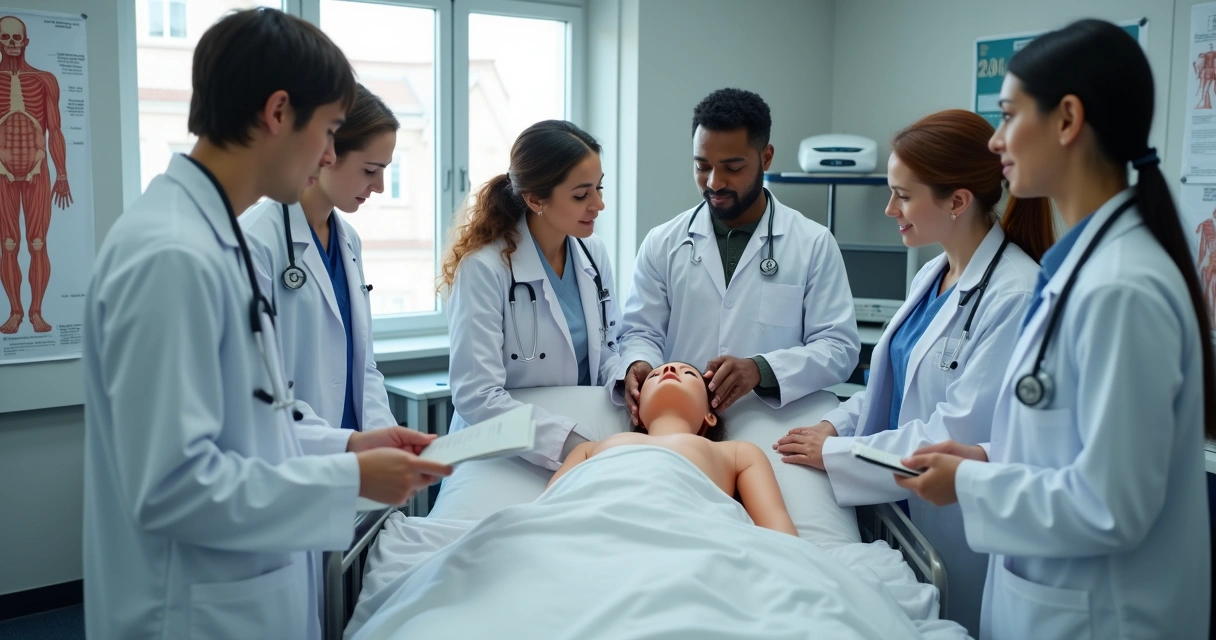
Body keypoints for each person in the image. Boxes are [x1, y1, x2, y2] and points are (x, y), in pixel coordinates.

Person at [81, 10, 451, 639]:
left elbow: (249, 420)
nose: (331, 154)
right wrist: (349, 478)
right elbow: (173, 485)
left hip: (245, 590)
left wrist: (348, 445)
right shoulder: (172, 256)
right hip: (193, 612)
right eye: (331, 131)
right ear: (278, 113)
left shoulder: (206, 236)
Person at [897, 19, 1213, 639]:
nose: (995, 141)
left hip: (1103, 618)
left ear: (1067, 120)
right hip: (1053, 604)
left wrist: (973, 481)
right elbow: (1073, 445)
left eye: (1010, 116)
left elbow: (1110, 504)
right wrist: (990, 456)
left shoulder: (1122, 289)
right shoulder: (1081, 271)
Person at [772, 109, 1052, 635]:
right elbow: (891, 385)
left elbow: (955, 434)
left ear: (958, 201)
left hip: (956, 526)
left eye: (903, 195)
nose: (888, 208)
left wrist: (835, 454)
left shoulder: (1014, 294)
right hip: (902, 508)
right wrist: (836, 425)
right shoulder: (935, 271)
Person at [615, 88, 859, 423]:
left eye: (732, 167)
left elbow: (838, 348)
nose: (714, 183)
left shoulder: (813, 243)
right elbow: (641, 332)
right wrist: (638, 362)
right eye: (702, 166)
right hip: (682, 422)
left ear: (766, 157)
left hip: (772, 421)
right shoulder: (662, 242)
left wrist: (761, 370)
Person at [443, 120, 623, 470]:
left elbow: (610, 345)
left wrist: (627, 377)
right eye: (581, 194)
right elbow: (477, 397)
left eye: (599, 188)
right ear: (535, 198)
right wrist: (571, 443)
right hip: (507, 446)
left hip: (591, 432)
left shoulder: (592, 253)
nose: (598, 204)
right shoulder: (485, 269)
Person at [241, 83, 398, 433]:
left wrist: (385, 440)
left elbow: (363, 366)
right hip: (295, 457)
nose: (380, 187)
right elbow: (257, 388)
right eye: (370, 170)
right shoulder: (255, 241)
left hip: (356, 460)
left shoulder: (348, 242)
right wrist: (346, 447)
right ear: (326, 153)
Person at [551, 361, 797, 536]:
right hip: (595, 532)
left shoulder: (738, 453)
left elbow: (778, 529)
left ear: (709, 416)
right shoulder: (588, 449)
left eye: (688, 373)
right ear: (637, 414)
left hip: (694, 536)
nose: (668, 369)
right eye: (654, 375)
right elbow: (547, 510)